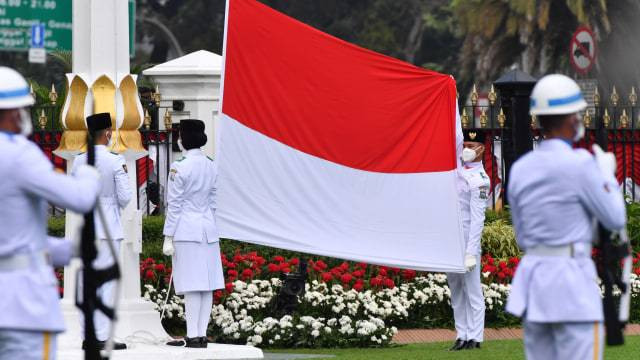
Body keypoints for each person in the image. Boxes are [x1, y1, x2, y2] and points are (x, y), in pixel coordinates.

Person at [506, 74, 626, 360]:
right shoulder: (582, 164)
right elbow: (615, 218)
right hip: (572, 285)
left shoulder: (522, 168)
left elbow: (522, 234)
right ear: (573, 119)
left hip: (535, 284)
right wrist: (607, 175)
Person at [0, 66, 101, 359]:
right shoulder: (18, 153)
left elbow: (14, 235)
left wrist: (68, 250)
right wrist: (90, 175)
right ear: (14, 112)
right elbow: (80, 199)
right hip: (23, 308)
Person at [162, 119, 224, 348]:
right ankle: (200, 335)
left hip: (186, 230)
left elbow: (174, 204)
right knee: (206, 284)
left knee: (191, 284)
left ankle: (192, 334)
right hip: (208, 229)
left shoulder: (180, 166)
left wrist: (168, 235)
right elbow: (214, 201)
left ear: (183, 139)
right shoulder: (211, 164)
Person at [72, 113, 131, 351]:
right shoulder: (115, 160)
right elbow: (126, 197)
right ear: (107, 133)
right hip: (108, 228)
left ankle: (88, 334)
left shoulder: (79, 160)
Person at [447, 130, 490, 351]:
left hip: (467, 238)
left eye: (473, 145)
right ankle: (461, 333)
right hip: (452, 237)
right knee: (455, 288)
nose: (467, 149)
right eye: (467, 143)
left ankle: (476, 336)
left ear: (482, 149)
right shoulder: (457, 170)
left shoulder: (480, 180)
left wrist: (471, 251)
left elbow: (477, 220)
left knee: (472, 288)